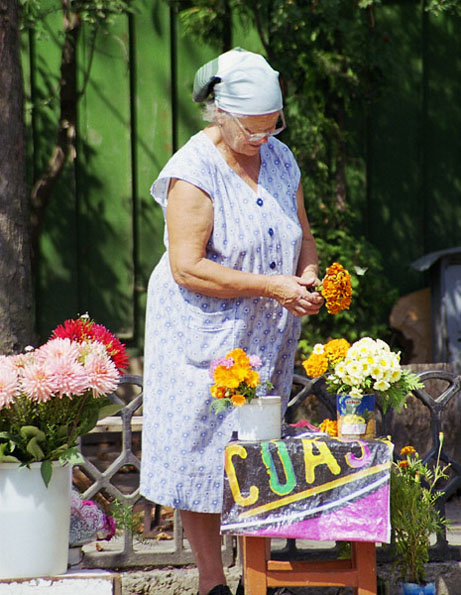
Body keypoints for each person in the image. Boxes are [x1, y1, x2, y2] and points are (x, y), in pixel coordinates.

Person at [140, 48, 323, 595]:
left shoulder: (282, 159)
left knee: (254, 453)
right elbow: (187, 266)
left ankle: (257, 579)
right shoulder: (193, 172)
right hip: (203, 333)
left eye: (273, 126)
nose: (263, 138)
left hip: (265, 333)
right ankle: (213, 582)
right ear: (220, 112)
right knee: (203, 457)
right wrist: (273, 285)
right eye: (253, 129)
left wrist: (308, 277)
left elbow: (303, 237)